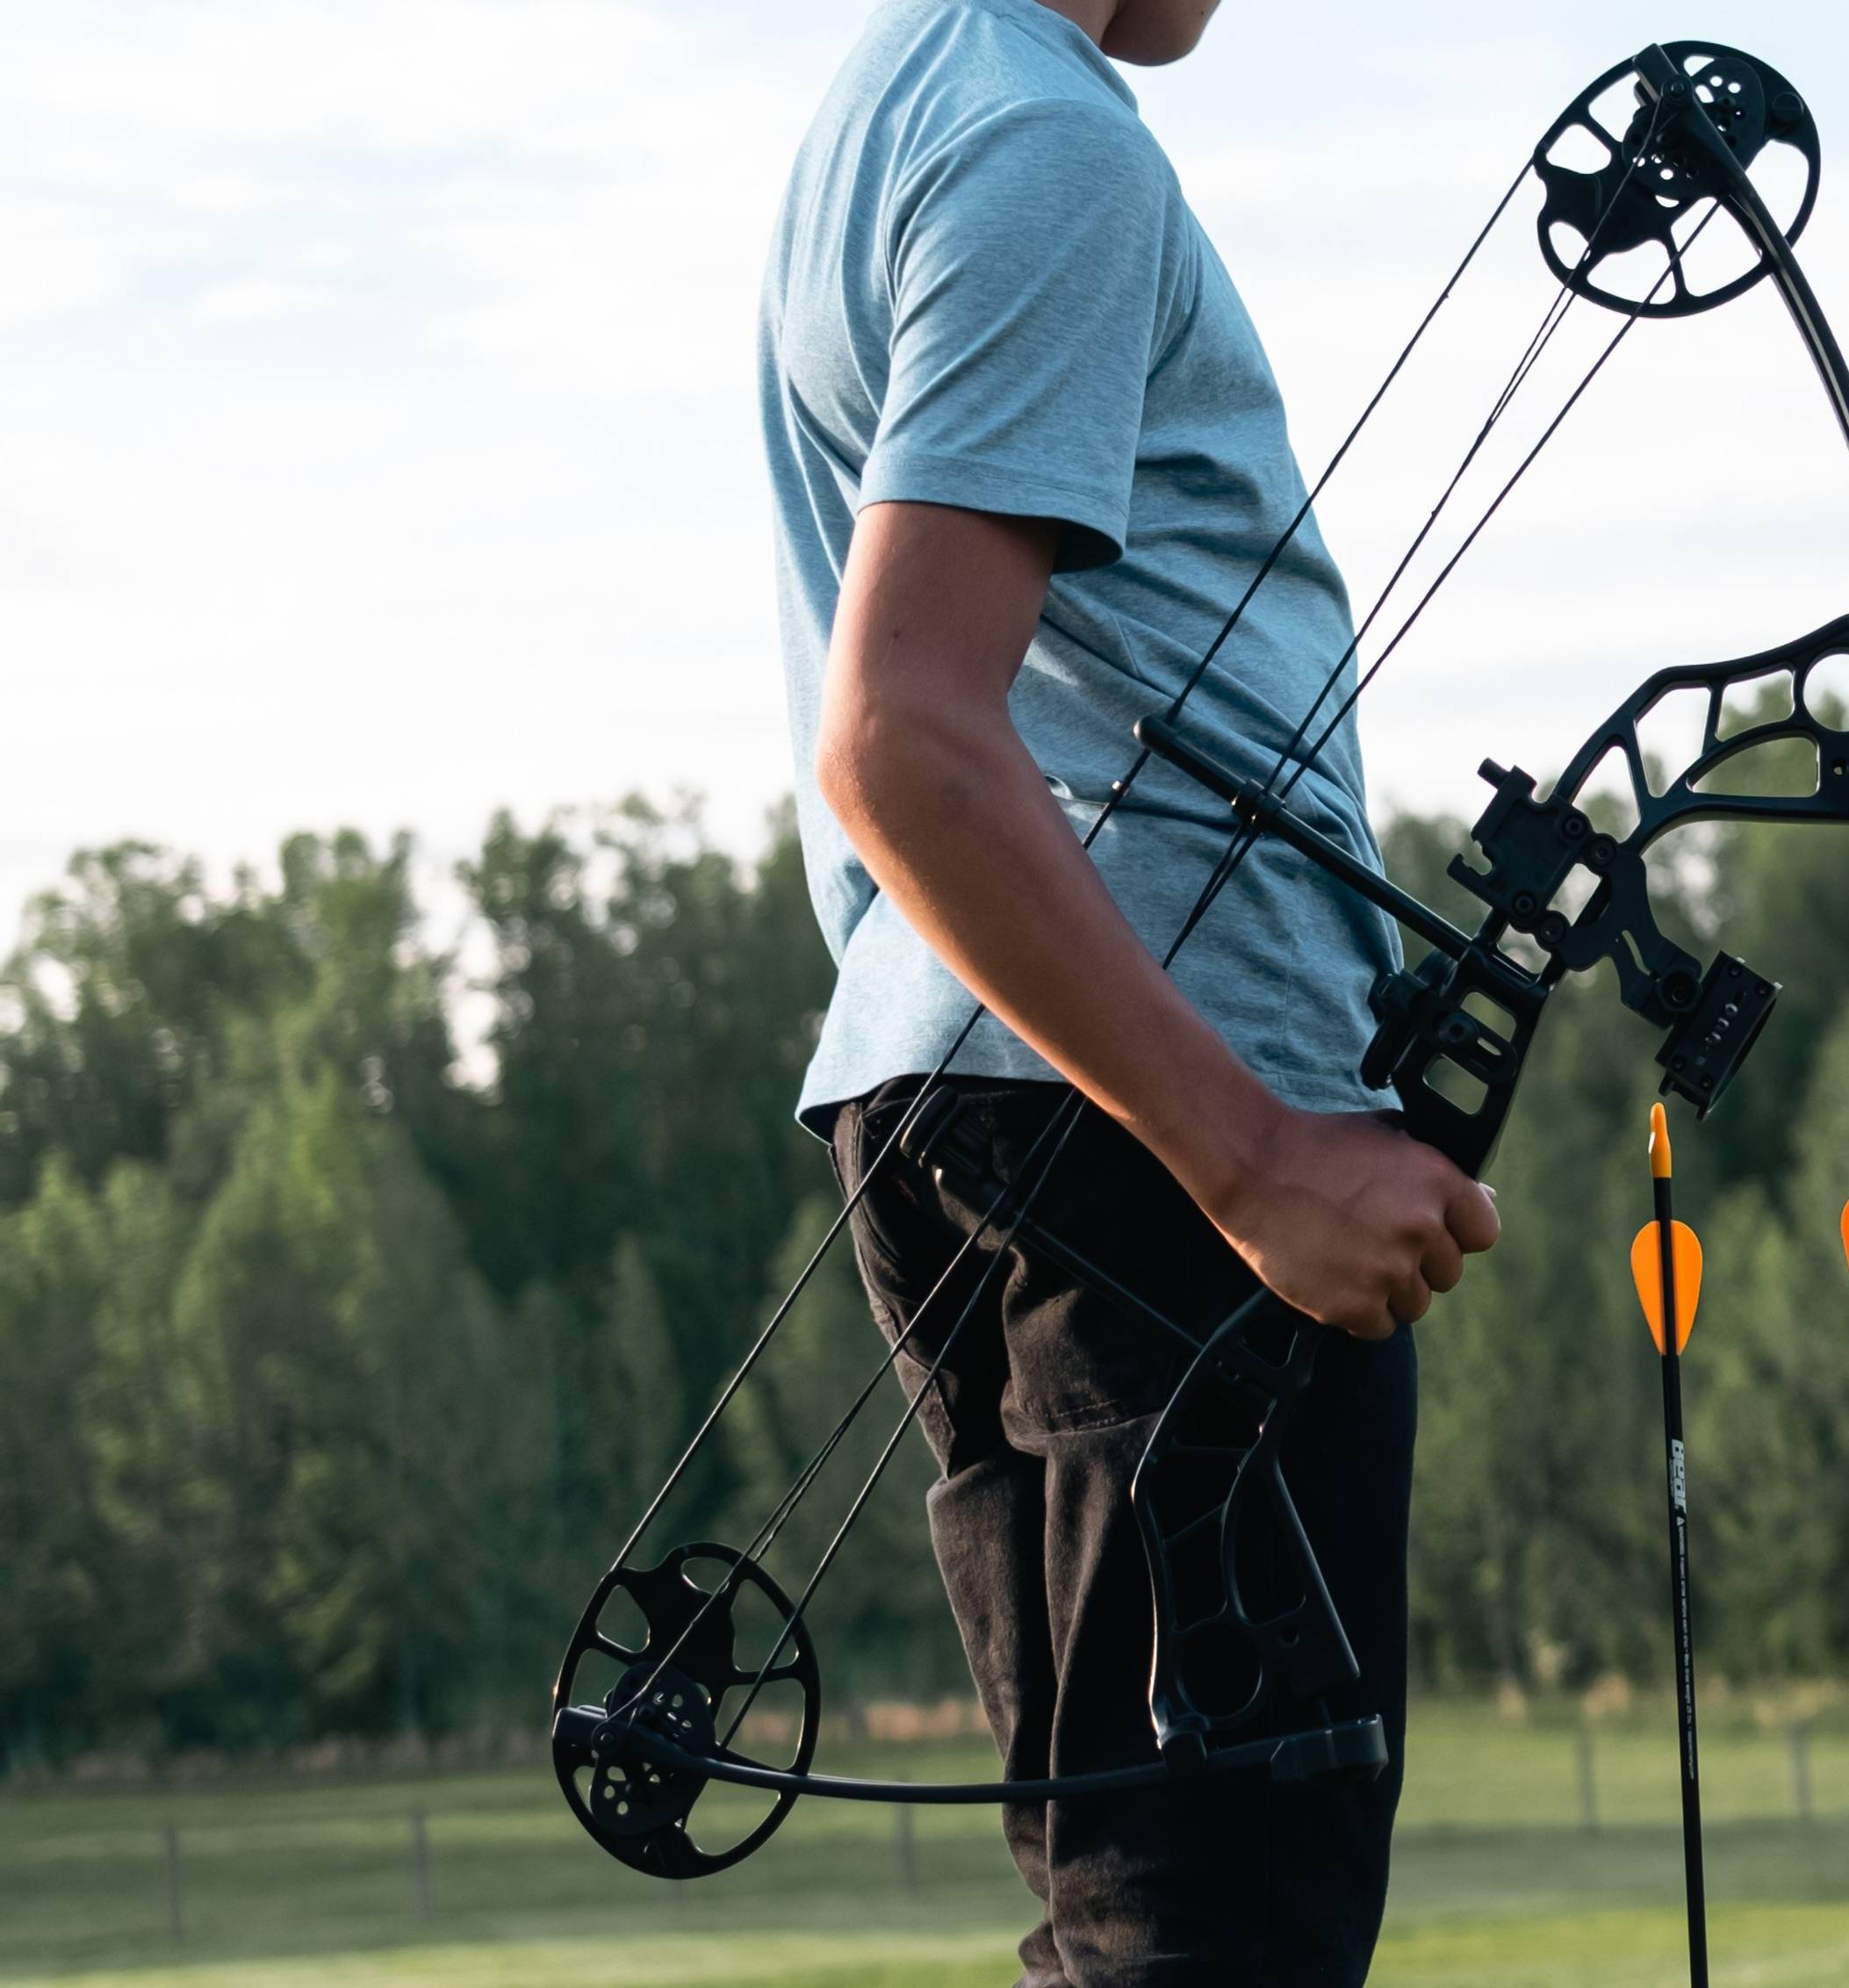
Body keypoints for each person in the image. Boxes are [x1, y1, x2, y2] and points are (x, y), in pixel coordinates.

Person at [758, 0, 1498, 1978]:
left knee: (1137, 1917)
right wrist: (1253, 1155)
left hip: (988, 1085)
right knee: (1206, 1925)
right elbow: (901, 729)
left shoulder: (903, 101)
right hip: (1141, 1140)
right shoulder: (1043, 143)